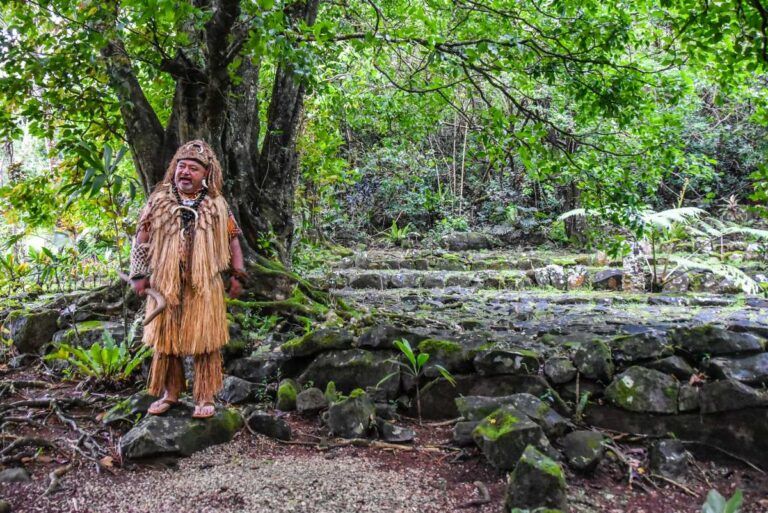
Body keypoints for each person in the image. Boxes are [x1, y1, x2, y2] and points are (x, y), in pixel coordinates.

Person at [128, 140, 246, 418]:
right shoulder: (158, 200)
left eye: (193, 168)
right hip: (165, 283)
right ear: (174, 169)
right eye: (182, 166)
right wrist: (138, 274)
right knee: (167, 342)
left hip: (204, 284)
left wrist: (238, 275)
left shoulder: (218, 204)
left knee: (206, 342)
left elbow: (233, 240)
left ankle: (204, 397)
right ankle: (171, 393)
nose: (185, 172)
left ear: (206, 174)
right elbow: (141, 237)